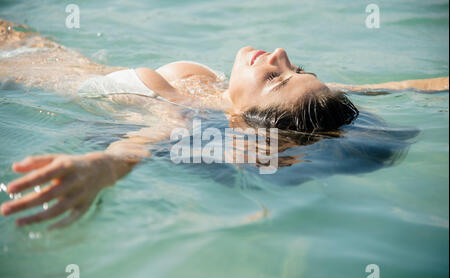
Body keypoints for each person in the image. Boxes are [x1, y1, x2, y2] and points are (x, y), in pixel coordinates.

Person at [0, 19, 448, 229]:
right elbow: (402, 84)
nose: (278, 55)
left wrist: (100, 166)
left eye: (274, 77)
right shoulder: (258, 101)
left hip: (13, 70)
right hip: (26, 42)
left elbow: (141, 143)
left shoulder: (178, 106)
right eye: (297, 66)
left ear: (248, 121)